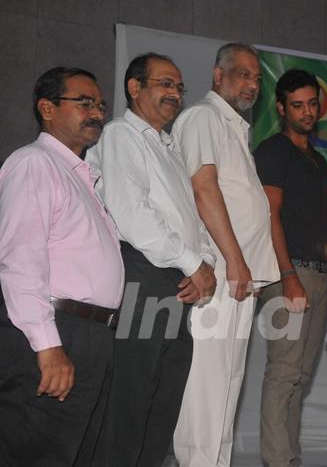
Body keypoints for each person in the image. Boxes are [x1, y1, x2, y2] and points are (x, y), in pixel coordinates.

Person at [87, 53, 217, 467]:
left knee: (161, 407)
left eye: (179, 86)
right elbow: (133, 215)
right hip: (142, 275)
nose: (175, 93)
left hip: (176, 283)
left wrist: (206, 264)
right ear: (134, 88)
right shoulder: (121, 135)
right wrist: (191, 263)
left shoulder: (169, 146)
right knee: (129, 404)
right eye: (165, 83)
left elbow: (193, 222)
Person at [0, 67, 123, 466]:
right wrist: (48, 345)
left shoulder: (82, 177)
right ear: (47, 108)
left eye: (100, 104)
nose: (96, 112)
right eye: (83, 102)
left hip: (90, 335)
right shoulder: (34, 163)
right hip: (55, 332)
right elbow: (20, 259)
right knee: (34, 452)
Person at [172, 42, 279, 467]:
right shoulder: (203, 116)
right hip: (217, 276)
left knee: (229, 387)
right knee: (206, 391)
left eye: (256, 77)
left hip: (239, 282)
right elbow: (203, 188)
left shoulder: (235, 128)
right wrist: (234, 259)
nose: (252, 84)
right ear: (218, 76)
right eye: (243, 74)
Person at [253, 69, 327, 467]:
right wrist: (287, 277)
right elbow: (270, 215)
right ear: (282, 108)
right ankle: (278, 461)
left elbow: (316, 221)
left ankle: (290, 458)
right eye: (296, 105)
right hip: (288, 276)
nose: (306, 112)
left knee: (299, 379)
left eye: (311, 104)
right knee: (284, 374)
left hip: (317, 274)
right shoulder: (273, 151)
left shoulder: (318, 160)